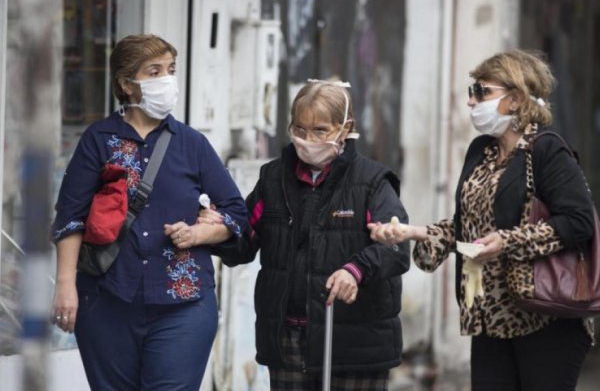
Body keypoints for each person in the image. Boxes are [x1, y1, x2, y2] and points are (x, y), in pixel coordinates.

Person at [368, 49, 595, 391]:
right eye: (472, 92)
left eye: (482, 92)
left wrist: (507, 242)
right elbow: (467, 227)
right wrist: (412, 233)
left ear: (516, 99)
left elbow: (579, 222)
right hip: (490, 316)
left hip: (545, 315)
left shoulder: (547, 151)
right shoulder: (481, 151)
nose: (472, 102)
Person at [51, 34, 247, 390]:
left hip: (184, 303)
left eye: (170, 70)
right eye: (154, 71)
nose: (167, 80)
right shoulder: (98, 140)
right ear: (128, 83)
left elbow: (237, 213)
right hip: (107, 300)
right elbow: (70, 217)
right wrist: (65, 286)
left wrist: (200, 232)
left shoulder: (192, 144)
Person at [199, 79, 411, 391]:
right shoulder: (273, 179)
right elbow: (244, 242)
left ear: (345, 127)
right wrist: (216, 230)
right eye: (300, 129)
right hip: (287, 342)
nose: (307, 140)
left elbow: (396, 249)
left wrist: (355, 270)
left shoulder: (372, 183)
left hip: (355, 345)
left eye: (320, 130)